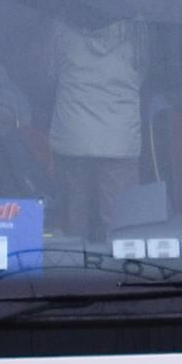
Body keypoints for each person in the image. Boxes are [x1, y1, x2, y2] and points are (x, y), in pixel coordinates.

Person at [47, 14, 143, 240]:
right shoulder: (138, 31)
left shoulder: (61, 27)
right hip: (119, 139)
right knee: (121, 226)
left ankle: (73, 262)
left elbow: (48, 74)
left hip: (73, 136)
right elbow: (143, 72)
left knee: (74, 223)